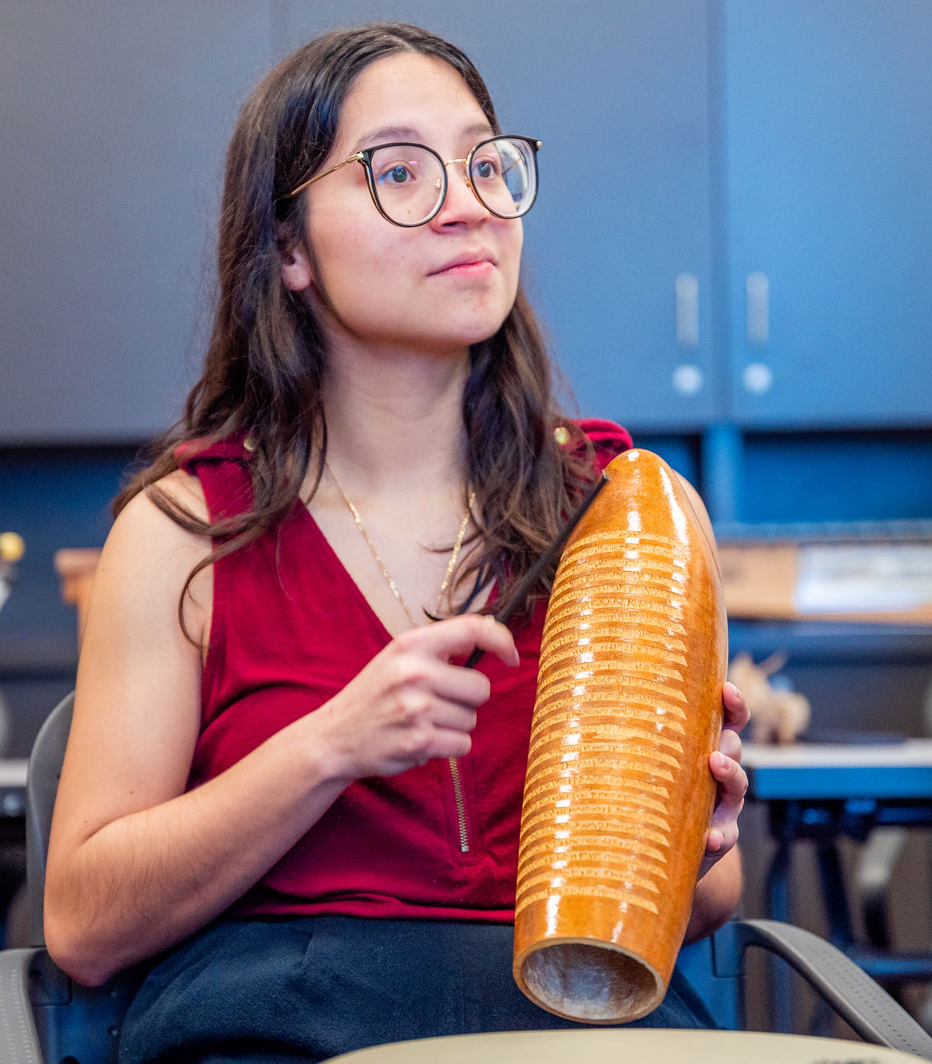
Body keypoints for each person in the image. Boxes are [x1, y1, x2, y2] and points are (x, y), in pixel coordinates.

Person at [44, 22, 749, 1064]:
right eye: (400, 172)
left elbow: (710, 901)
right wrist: (329, 746)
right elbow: (83, 928)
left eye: (484, 163)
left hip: (570, 1036)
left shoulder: (624, 512)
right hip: (280, 1025)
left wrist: (686, 834)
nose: (468, 202)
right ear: (287, 248)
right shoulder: (184, 530)